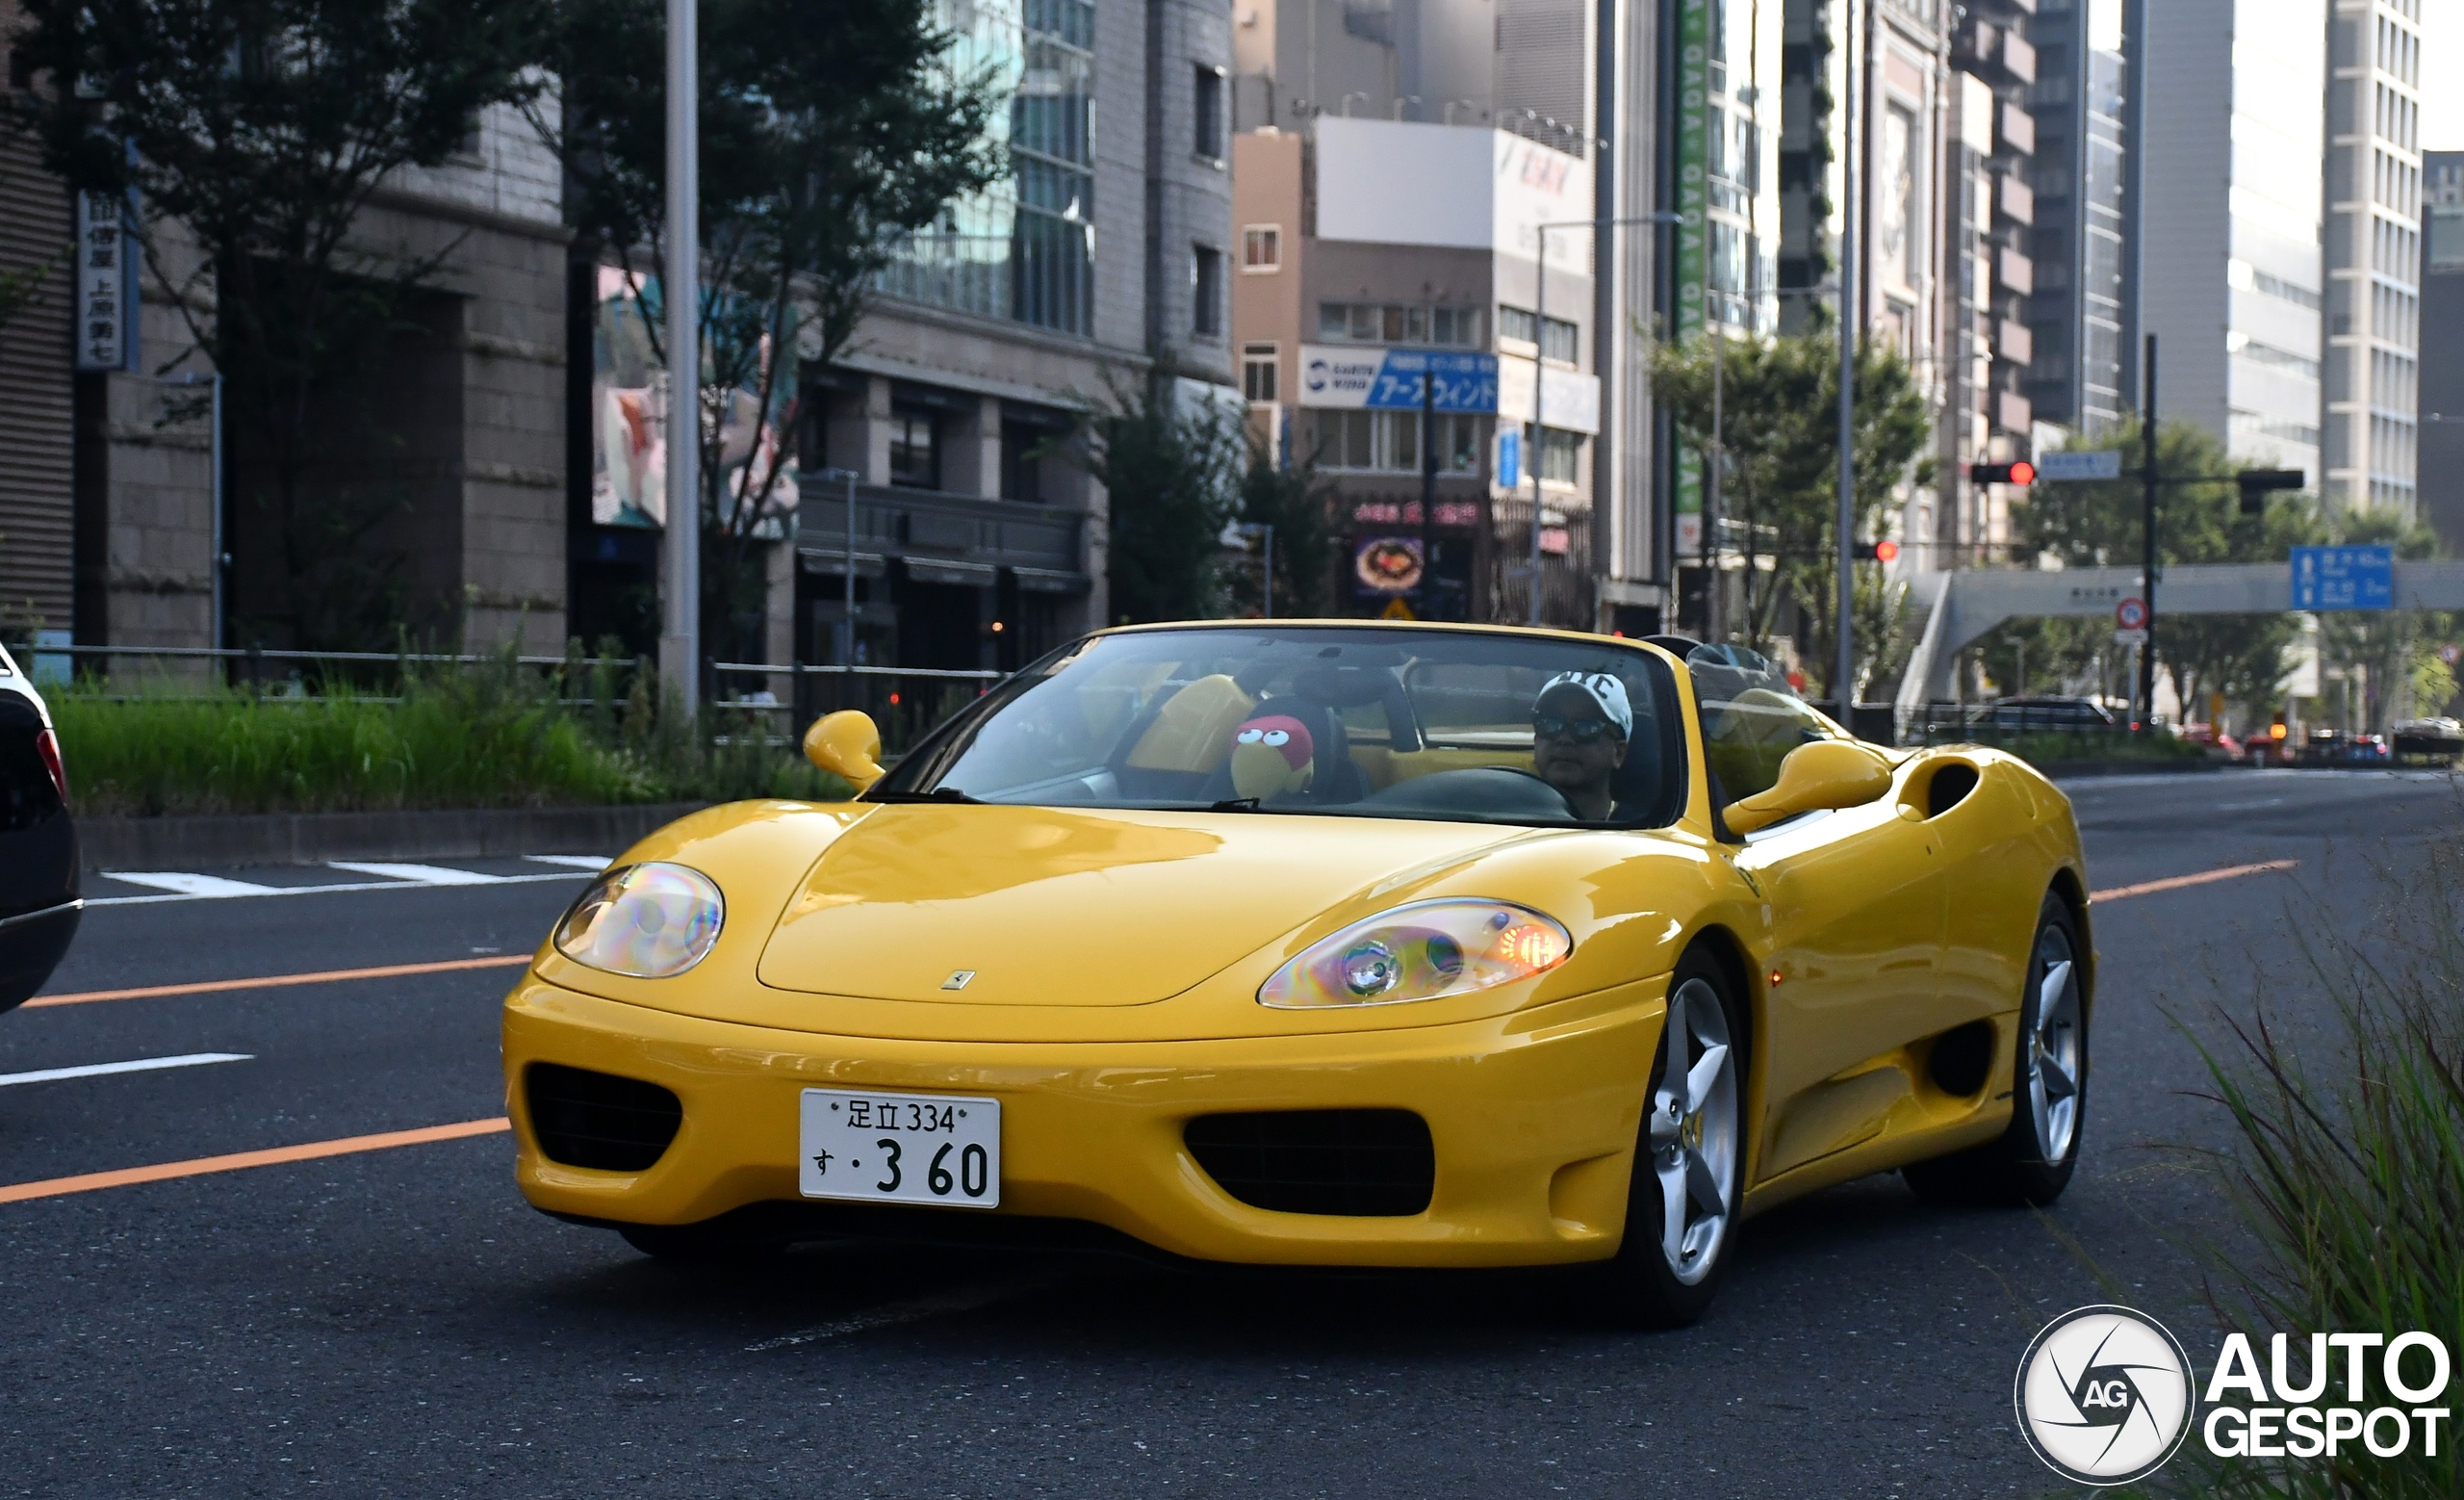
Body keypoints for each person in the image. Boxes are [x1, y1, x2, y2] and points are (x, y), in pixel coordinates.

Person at [1531, 671, 1631, 821]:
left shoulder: (1644, 832)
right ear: (1536, 740)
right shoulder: (1502, 818)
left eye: (1586, 727)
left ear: (1618, 753)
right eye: (1550, 724)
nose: (1564, 739)